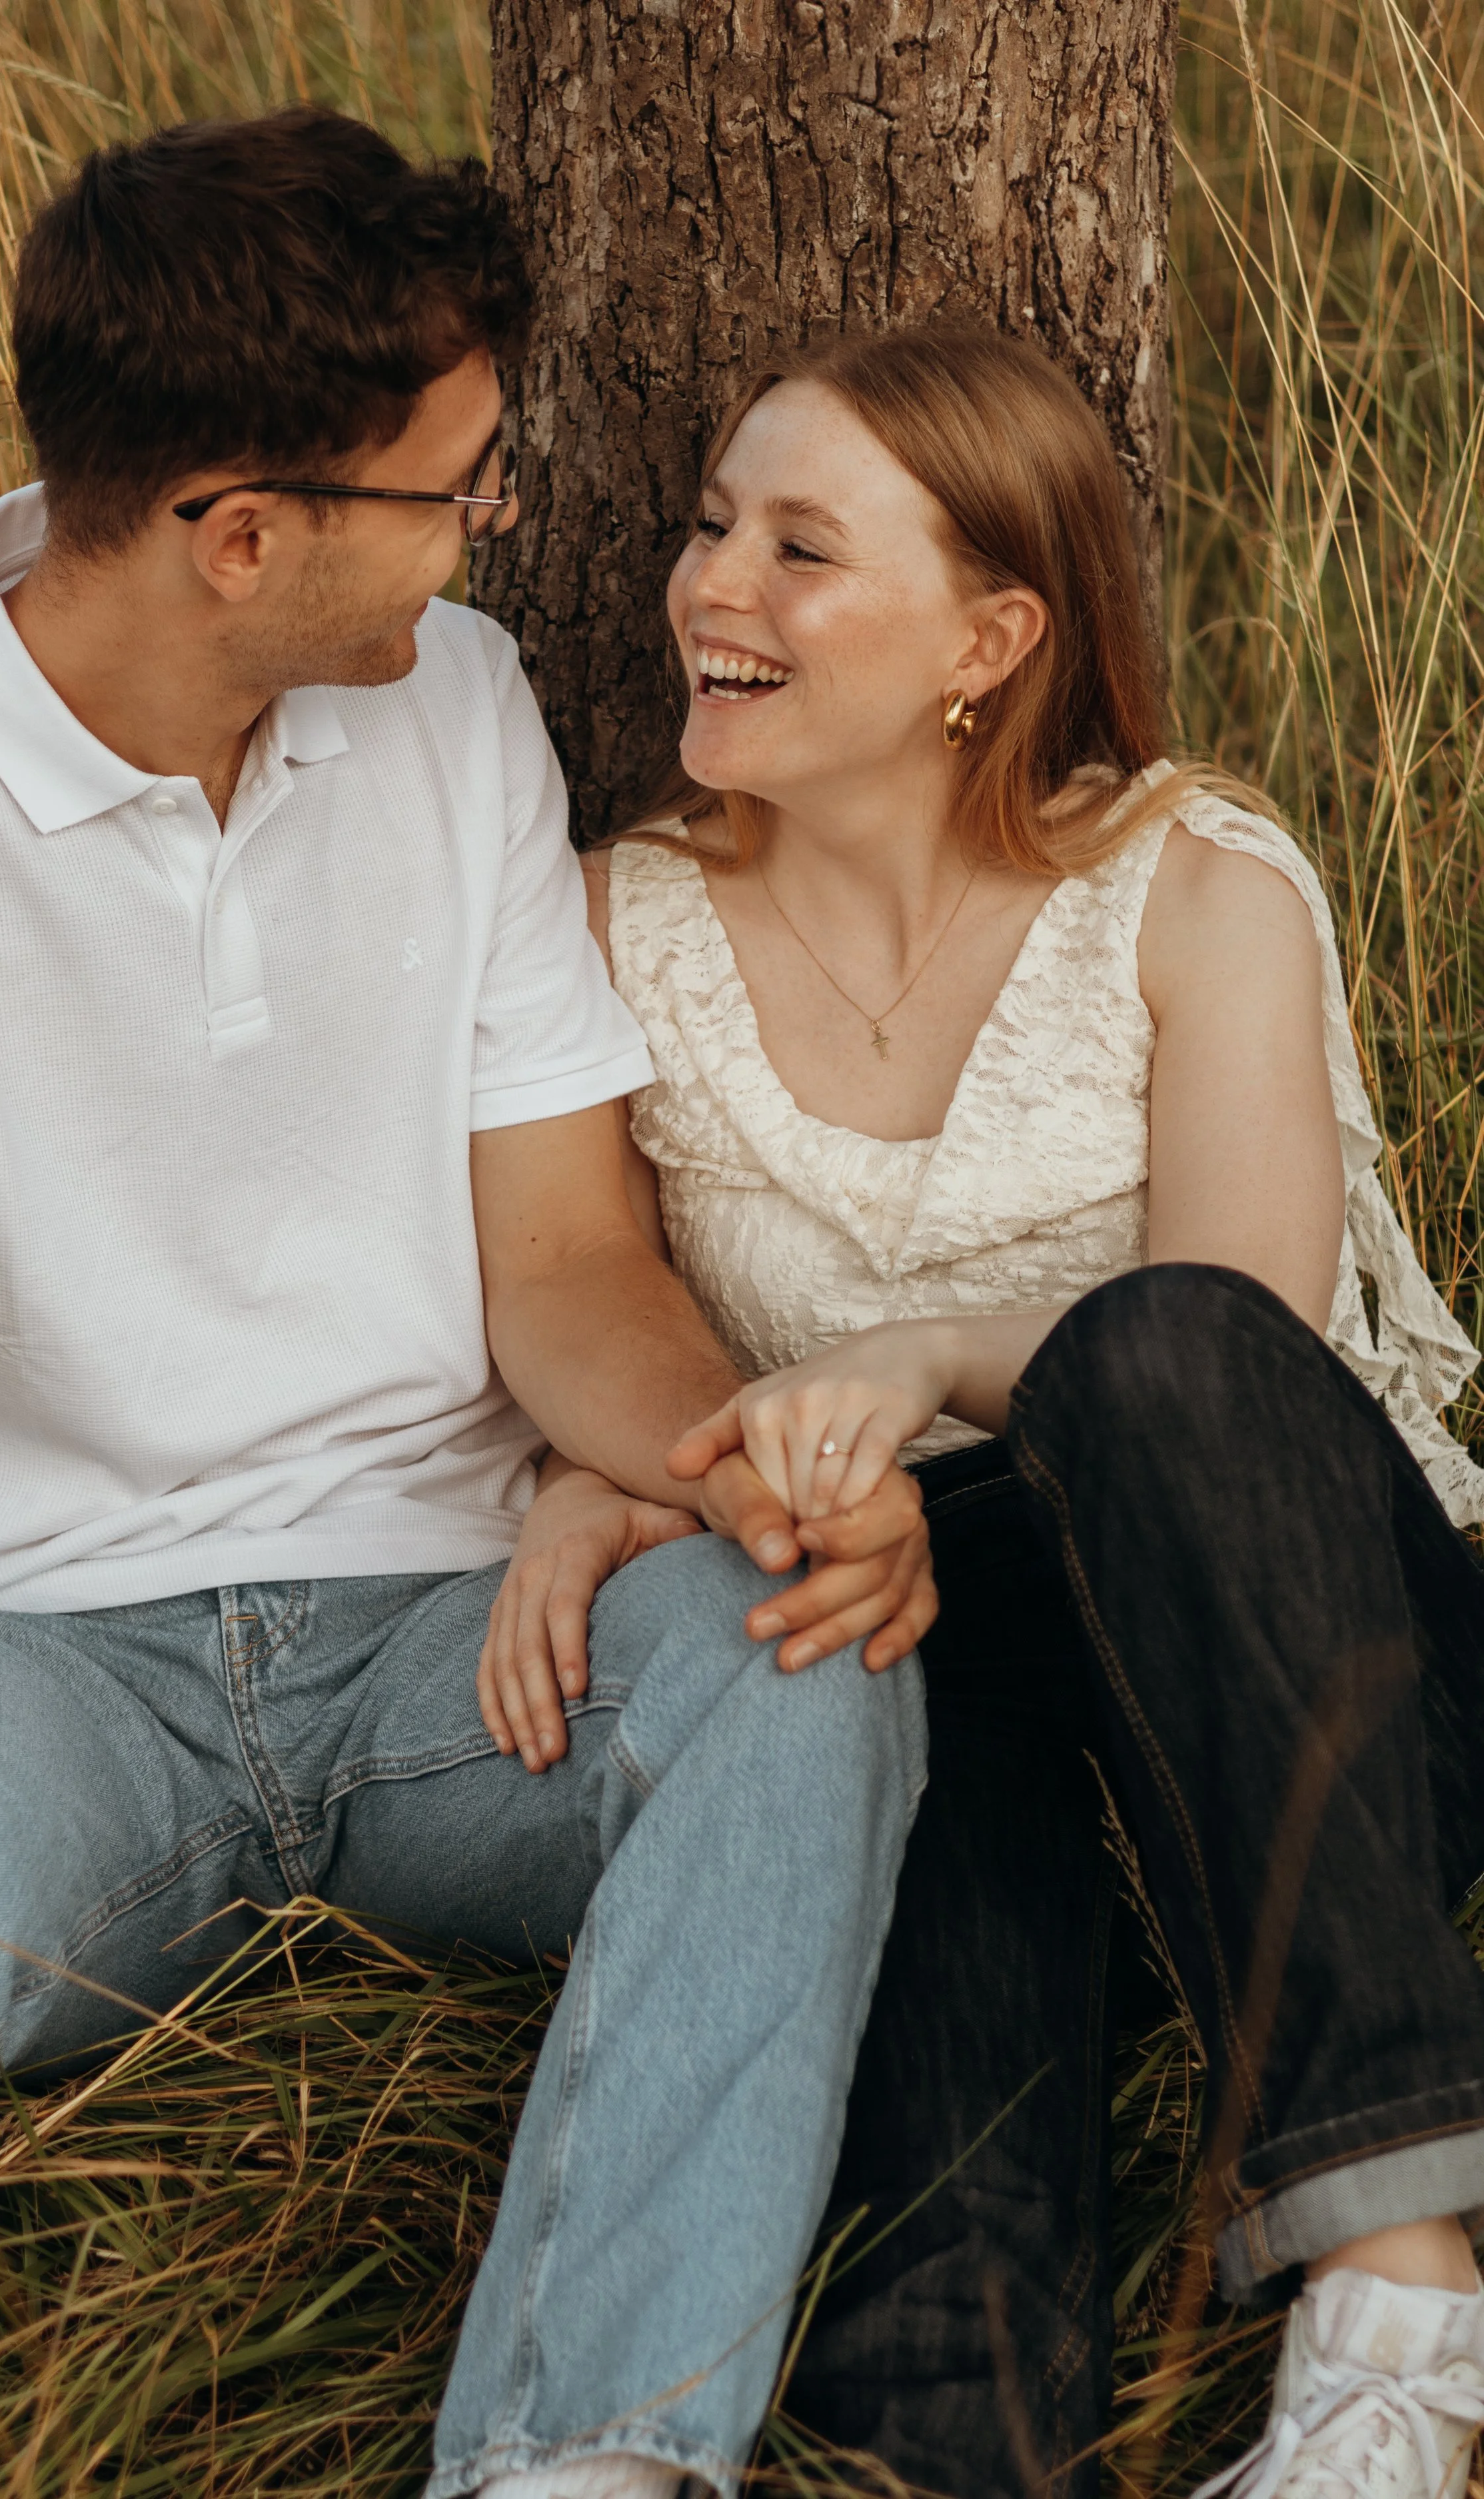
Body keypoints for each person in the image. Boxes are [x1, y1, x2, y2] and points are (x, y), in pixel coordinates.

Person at [0, 110, 944, 2497]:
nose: (496, 527)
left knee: (805, 1671)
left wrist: (737, 1467)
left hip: (454, 1642)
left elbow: (560, 1265)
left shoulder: (452, 706)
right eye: (455, 487)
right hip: (25, 1662)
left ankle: (579, 2461)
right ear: (244, 535)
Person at [478, 325, 1484, 2499]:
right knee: (850, 1649)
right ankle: (958, 2421)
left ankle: (1397, 2304)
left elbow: (1238, 1338)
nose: (706, 582)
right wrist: (605, 1474)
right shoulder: (612, 925)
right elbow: (583, 1284)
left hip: (1315, 1674)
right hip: (935, 1644)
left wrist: (928, 1356)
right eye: (708, 520)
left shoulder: (1193, 880)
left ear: (990, 638)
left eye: (799, 546)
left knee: (1144, 1357)